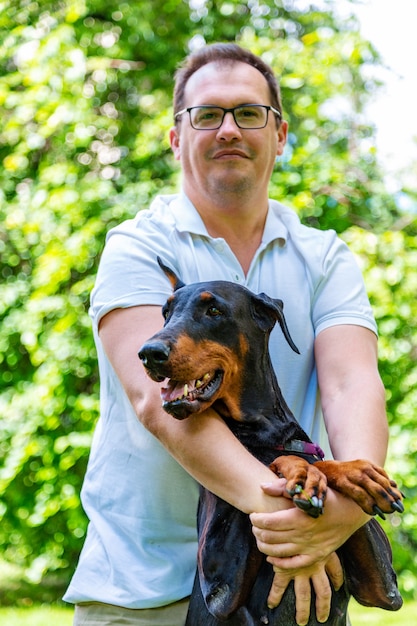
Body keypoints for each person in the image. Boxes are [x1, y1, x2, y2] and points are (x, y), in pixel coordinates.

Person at [64, 43, 389, 626]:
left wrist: (344, 507)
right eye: (207, 114)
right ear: (176, 138)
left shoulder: (325, 257)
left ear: (280, 133)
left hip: (286, 585)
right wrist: (293, 526)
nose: (229, 129)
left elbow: (351, 383)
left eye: (248, 113)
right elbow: (155, 401)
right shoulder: (138, 246)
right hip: (144, 589)